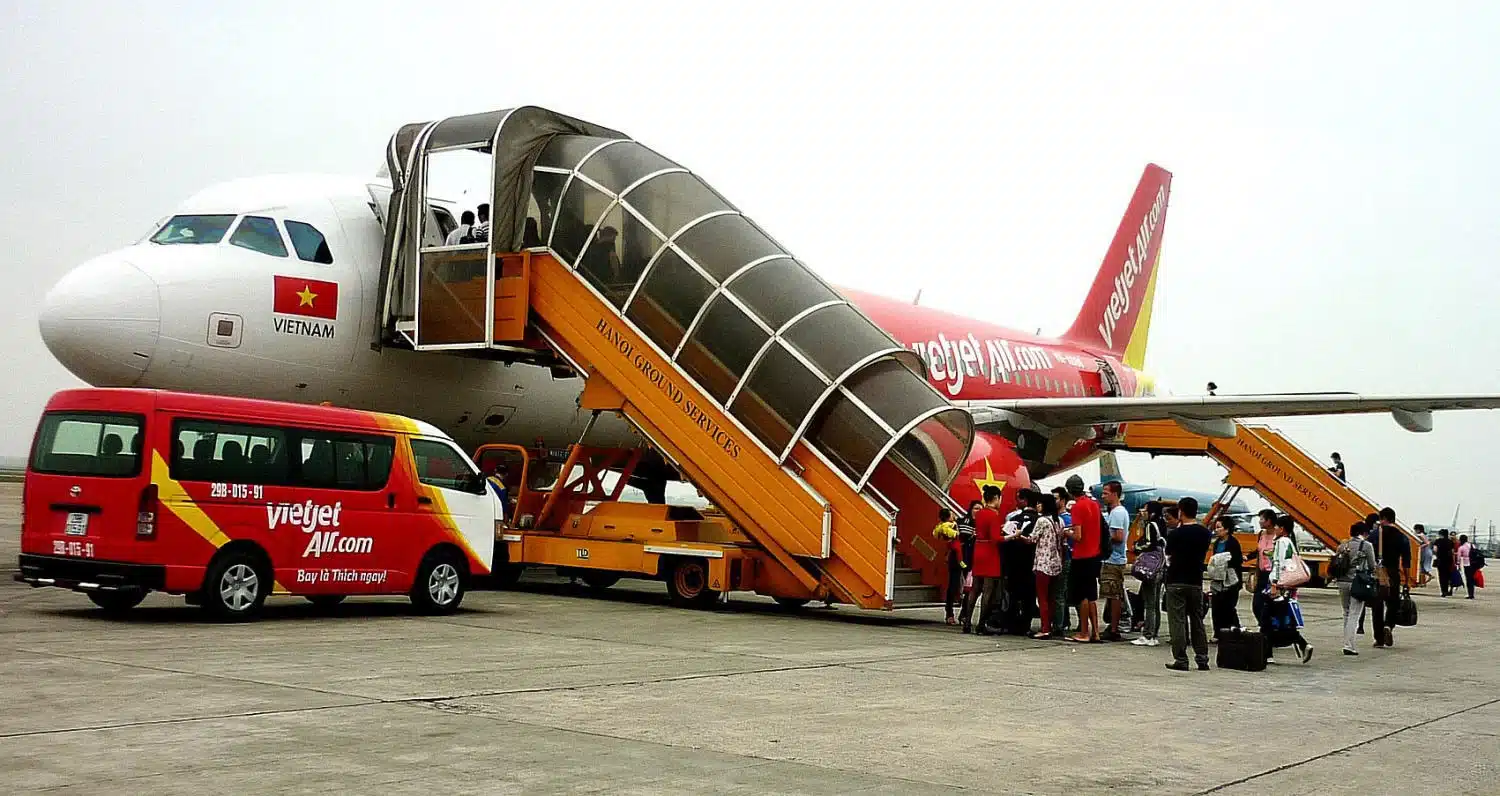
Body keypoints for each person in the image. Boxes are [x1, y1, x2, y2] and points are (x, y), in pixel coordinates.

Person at [1162, 496, 1212, 672]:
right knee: (1197, 620)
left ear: (1181, 511)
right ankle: (1202, 658)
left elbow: (1168, 557)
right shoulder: (1205, 533)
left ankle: (1181, 659)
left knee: (1177, 621)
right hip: (1195, 581)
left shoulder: (1175, 534)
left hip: (1176, 580)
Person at [1265, 514, 1314, 663]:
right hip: (1288, 586)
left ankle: (1268, 654)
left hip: (1279, 585)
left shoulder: (1281, 542)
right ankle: (1301, 644)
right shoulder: (1291, 542)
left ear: (1282, 529)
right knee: (1280, 618)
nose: (1274, 529)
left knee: (1269, 618)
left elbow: (1279, 564)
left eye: (1277, 526)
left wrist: (1274, 584)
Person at [960, 486, 1004, 634]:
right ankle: (981, 624)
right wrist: (1012, 535)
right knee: (988, 591)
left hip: (979, 550)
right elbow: (996, 538)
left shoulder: (980, 514)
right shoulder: (994, 515)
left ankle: (967, 621)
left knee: (975, 589)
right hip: (990, 553)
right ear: (996, 498)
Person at [1064, 475, 1103, 643]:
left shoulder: (1078, 507)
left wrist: (1066, 532)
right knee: (1092, 595)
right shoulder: (1094, 505)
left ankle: (1084, 632)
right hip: (1095, 553)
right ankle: (1096, 632)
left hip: (1082, 555)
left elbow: (1078, 536)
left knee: (1083, 596)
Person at [1371, 507, 1412, 648]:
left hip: (1377, 573)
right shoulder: (1402, 537)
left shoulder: (1374, 535)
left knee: (1377, 606)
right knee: (1393, 603)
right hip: (1393, 573)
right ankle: (1388, 625)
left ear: (1382, 518)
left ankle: (1379, 639)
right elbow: (1406, 562)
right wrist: (1406, 580)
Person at [1334, 522, 1378, 655]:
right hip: (1357, 582)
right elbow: (1372, 565)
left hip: (1342, 582)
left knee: (1346, 613)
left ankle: (1347, 642)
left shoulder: (1342, 546)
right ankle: (1349, 645)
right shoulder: (1366, 546)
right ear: (1364, 532)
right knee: (1354, 614)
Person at [1131, 501, 1167, 647]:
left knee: (1149, 603)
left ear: (1151, 512)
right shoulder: (1162, 524)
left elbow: (1148, 543)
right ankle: (1154, 633)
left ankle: (1148, 634)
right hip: (1160, 566)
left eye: (1145, 510)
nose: (1142, 512)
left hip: (1150, 567)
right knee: (1155, 602)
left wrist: (1136, 546)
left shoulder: (1150, 525)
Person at [1098, 481, 1131, 642]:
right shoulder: (1114, 512)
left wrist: (1102, 536)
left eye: (1105, 493)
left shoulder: (1117, 513)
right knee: (1111, 594)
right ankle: (1112, 625)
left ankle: (1114, 628)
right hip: (1112, 558)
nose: (1103, 496)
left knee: (1114, 594)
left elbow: (1118, 536)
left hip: (1114, 558)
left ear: (1114, 494)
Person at [1031, 492, 1065, 640]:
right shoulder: (1060, 521)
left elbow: (1032, 539)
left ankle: (1045, 628)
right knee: (1052, 597)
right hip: (1056, 562)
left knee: (1042, 597)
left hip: (1043, 563)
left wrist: (1018, 535)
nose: (1037, 506)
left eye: (1039, 503)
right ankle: (1052, 625)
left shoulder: (1042, 521)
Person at [1208, 515, 1244, 639]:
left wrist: (1224, 561)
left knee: (1229, 607)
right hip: (1218, 579)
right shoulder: (1217, 542)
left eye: (1219, 527)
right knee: (1216, 608)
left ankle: (1235, 631)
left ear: (1227, 529)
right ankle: (1218, 632)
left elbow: (1237, 560)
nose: (1216, 530)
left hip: (1230, 580)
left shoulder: (1233, 542)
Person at [1049, 486, 1074, 636]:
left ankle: (1060, 624)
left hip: (1064, 559)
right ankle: (1063, 621)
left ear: (1063, 500)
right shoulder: (1053, 517)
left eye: (1056, 498)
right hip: (1054, 559)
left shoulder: (1067, 519)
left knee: (1059, 593)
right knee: (1058, 593)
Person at [933, 508, 961, 625]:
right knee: (954, 584)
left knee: (953, 584)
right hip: (956, 556)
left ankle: (950, 612)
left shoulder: (939, 528)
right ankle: (950, 612)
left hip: (951, 557)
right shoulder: (950, 526)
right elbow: (956, 536)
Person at [1251, 509, 1277, 624]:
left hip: (1273, 575)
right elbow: (1258, 551)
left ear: (1269, 521)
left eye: (1262, 519)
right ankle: (1264, 627)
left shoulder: (1279, 535)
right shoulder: (1261, 534)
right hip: (1262, 574)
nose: (1259, 522)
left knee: (1272, 606)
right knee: (1257, 605)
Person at [1435, 529, 1457, 598]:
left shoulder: (1437, 541)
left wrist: (1438, 553)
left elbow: (1435, 549)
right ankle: (1446, 590)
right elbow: (1452, 552)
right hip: (1448, 560)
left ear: (1440, 534)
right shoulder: (1450, 542)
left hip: (1440, 560)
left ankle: (1443, 591)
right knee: (1447, 576)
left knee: (1441, 576)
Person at [1459, 534, 1477, 599]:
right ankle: (1472, 593)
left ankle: (1470, 594)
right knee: (1471, 579)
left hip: (1467, 564)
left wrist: (1458, 564)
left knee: (1468, 579)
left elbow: (1458, 558)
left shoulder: (1461, 547)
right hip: (1474, 564)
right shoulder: (1472, 545)